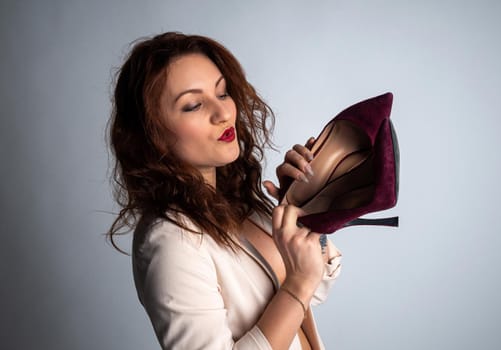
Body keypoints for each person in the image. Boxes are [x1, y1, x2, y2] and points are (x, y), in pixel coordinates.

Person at [107, 32, 342, 350]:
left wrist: (304, 208)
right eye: (193, 105)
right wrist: (297, 285)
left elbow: (315, 288)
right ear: (153, 135)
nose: (223, 113)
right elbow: (302, 288)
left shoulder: (236, 204)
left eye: (222, 93)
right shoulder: (170, 239)